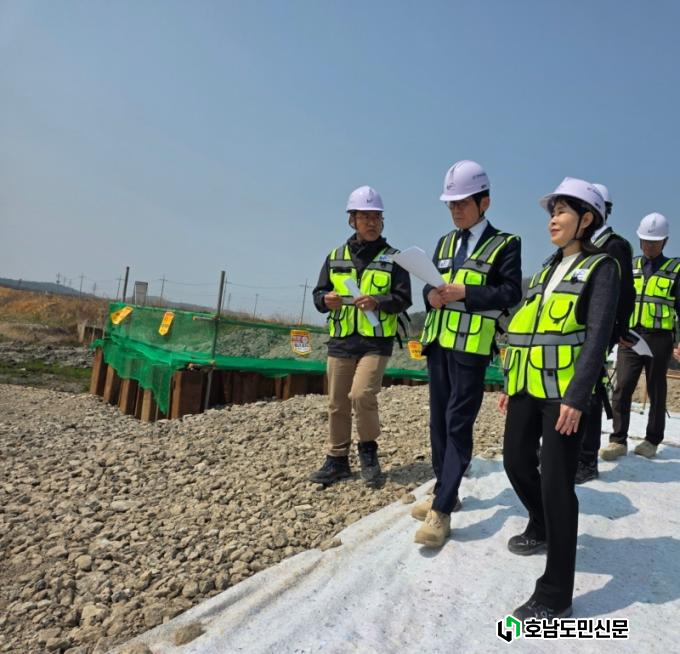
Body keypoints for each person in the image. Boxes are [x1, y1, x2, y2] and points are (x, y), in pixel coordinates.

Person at [500, 178, 619, 621]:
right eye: (552, 212)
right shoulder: (546, 269)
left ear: (586, 220)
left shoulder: (602, 268)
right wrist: (511, 382)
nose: (552, 219)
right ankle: (542, 524)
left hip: (564, 397)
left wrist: (577, 396)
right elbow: (529, 332)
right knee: (515, 461)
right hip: (526, 387)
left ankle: (555, 595)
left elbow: (598, 337)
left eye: (562, 211)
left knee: (556, 484)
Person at [412, 160, 522, 548]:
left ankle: (441, 511)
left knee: (458, 423)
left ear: (484, 202)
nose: (455, 210)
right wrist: (430, 296)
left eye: (462, 203)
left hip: (471, 349)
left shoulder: (506, 243)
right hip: (439, 343)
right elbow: (428, 287)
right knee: (438, 422)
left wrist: (466, 293)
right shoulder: (444, 242)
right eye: (451, 204)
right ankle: (446, 489)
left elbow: (510, 293)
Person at [309, 186, 412, 485]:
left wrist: (377, 301)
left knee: (362, 394)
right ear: (352, 220)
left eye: (376, 217)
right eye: (365, 216)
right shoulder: (335, 257)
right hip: (341, 341)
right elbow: (318, 294)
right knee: (337, 402)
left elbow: (403, 299)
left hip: (375, 342)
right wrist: (324, 300)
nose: (371, 222)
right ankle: (337, 459)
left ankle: (368, 451)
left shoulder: (395, 259)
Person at [600, 212, 680, 461]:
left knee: (656, 388)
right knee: (622, 386)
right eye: (645, 241)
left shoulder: (675, 270)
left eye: (654, 242)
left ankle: (652, 440)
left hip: (659, 338)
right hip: (630, 336)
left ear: (665, 241)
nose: (649, 246)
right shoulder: (630, 265)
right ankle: (618, 440)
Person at [575, 183, 635, 483]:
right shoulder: (580, 245)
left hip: (598, 331)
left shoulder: (615, 246)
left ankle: (587, 460)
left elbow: (626, 291)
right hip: (575, 329)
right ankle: (573, 453)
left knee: (591, 392)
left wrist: (619, 329)